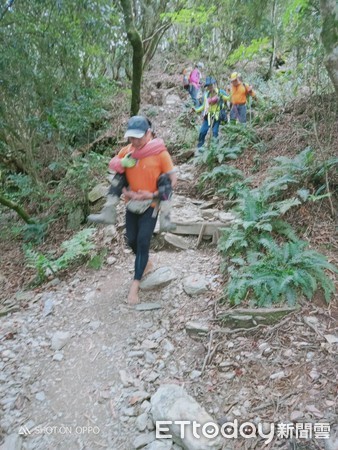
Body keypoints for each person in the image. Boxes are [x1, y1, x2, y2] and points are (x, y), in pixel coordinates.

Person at [91, 116, 177, 305]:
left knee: (143, 240)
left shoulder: (160, 153)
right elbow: (118, 172)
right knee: (131, 240)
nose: (135, 142)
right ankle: (145, 263)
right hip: (132, 203)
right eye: (131, 138)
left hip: (151, 203)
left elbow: (172, 181)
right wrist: (124, 191)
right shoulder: (127, 151)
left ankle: (134, 286)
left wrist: (149, 195)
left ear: (148, 133)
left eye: (138, 137)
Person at [193, 76, 230, 152]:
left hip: (217, 116)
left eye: (211, 85)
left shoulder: (220, 92)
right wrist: (196, 110)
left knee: (215, 132)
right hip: (208, 115)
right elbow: (204, 106)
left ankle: (215, 149)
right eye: (208, 86)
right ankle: (199, 149)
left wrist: (232, 92)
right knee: (202, 131)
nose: (210, 87)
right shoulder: (207, 95)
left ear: (214, 84)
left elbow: (228, 98)